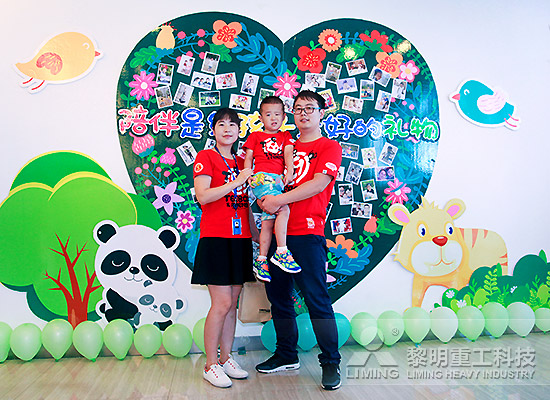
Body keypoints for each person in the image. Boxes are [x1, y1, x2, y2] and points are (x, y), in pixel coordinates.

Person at [255, 90, 343, 391]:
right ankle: (286, 355)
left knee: (317, 299)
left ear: (321, 113)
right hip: (276, 233)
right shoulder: (282, 144)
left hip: (307, 232)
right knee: (278, 298)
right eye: (298, 109)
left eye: (309, 108)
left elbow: (319, 184)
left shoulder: (328, 147)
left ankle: (330, 362)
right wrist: (264, 198)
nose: (303, 113)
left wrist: (278, 200)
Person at [191, 107, 258, 388]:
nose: (227, 129)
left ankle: (226, 357)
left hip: (240, 240)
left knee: (233, 305)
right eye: (221, 124)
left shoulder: (244, 161)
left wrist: (257, 236)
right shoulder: (206, 157)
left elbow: (246, 204)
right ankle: (210, 364)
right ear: (214, 130)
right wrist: (236, 181)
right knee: (221, 304)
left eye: (232, 125)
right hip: (216, 239)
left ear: (239, 131)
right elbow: (203, 196)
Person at [243, 96, 300, 283]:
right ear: (260, 118)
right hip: (262, 178)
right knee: (283, 209)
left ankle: (261, 260)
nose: (273, 118)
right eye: (268, 114)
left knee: (268, 221)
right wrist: (248, 175)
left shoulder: (285, 136)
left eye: (277, 114)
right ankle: (282, 251)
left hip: (277, 181)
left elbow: (288, 154)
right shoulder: (255, 137)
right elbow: (248, 158)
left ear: (284, 117)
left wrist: (290, 171)